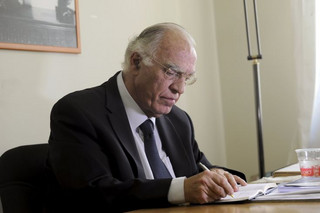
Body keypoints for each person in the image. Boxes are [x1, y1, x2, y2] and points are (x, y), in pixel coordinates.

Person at [47, 22, 247, 212]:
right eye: (171, 72)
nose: (180, 88)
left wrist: (221, 178)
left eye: (187, 77)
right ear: (136, 62)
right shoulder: (79, 112)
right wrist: (180, 190)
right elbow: (91, 194)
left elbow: (201, 171)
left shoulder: (179, 120)